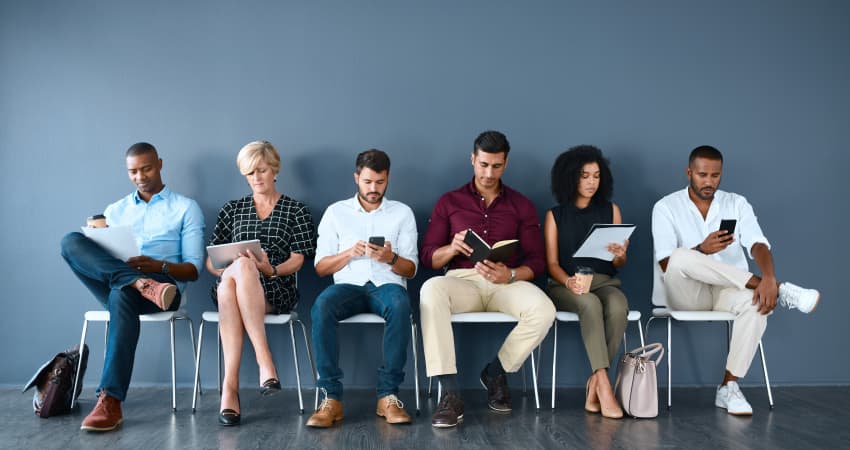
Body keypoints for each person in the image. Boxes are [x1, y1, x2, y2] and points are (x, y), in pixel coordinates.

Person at [651, 145, 820, 416]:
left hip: (727, 291)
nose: (708, 182)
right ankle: (779, 291)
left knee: (756, 305)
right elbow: (666, 263)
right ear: (689, 172)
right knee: (681, 256)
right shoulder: (666, 207)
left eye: (715, 176)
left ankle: (729, 387)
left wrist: (769, 275)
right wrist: (701, 250)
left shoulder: (736, 203)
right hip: (686, 294)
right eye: (702, 175)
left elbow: (758, 245)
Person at [60, 142, 204, 432]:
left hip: (165, 290)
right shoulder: (115, 210)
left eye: (146, 168)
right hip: (122, 280)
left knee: (121, 293)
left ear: (160, 164)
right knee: (70, 241)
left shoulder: (186, 208)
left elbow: (193, 269)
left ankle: (110, 400)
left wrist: (157, 267)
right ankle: (135, 282)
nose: (140, 176)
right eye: (133, 171)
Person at [419, 130, 556, 428]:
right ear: (472, 159)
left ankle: (496, 372)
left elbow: (537, 261)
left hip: (505, 281)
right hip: (462, 280)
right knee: (431, 289)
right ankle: (451, 394)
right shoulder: (449, 201)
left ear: (505, 164)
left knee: (544, 309)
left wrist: (512, 274)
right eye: (483, 164)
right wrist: (451, 248)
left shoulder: (522, 204)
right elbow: (428, 257)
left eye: (496, 166)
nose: (488, 172)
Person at [206, 140, 316, 426]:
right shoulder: (232, 209)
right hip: (229, 281)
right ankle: (264, 360)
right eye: (250, 173)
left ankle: (229, 390)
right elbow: (211, 262)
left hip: (274, 286)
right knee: (237, 270)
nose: (256, 178)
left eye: (262, 170)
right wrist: (233, 269)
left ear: (275, 170)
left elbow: (298, 259)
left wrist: (269, 269)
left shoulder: (295, 210)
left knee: (232, 285)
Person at [307, 149, 418, 428]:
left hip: (387, 286)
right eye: (368, 182)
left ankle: (388, 395)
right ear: (357, 178)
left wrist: (390, 258)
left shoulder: (402, 213)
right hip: (348, 286)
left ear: (388, 178)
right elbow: (320, 267)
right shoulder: (336, 213)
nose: (373, 189)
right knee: (321, 306)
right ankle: (331, 398)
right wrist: (349, 254)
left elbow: (412, 270)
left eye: (380, 182)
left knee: (401, 304)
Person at [544, 145, 628, 419]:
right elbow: (552, 264)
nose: (592, 182)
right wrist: (568, 282)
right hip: (566, 284)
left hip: (605, 282)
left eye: (596, 176)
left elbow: (618, 265)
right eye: (584, 176)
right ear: (570, 178)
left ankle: (595, 381)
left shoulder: (611, 210)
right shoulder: (555, 216)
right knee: (589, 304)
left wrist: (620, 255)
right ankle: (604, 386)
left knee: (618, 306)